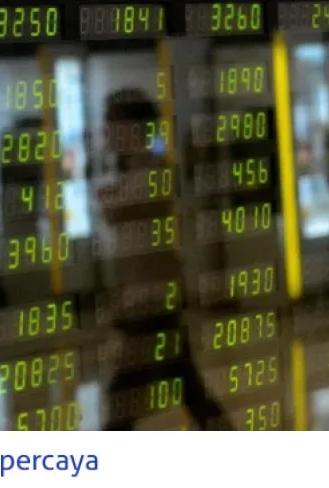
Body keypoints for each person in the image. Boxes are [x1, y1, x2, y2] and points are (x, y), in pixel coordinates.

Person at [98, 88, 230, 430]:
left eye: (111, 124)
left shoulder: (152, 173)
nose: (105, 133)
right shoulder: (133, 174)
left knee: (122, 401)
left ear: (132, 129)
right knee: (188, 388)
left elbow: (113, 209)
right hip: (146, 300)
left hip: (150, 304)